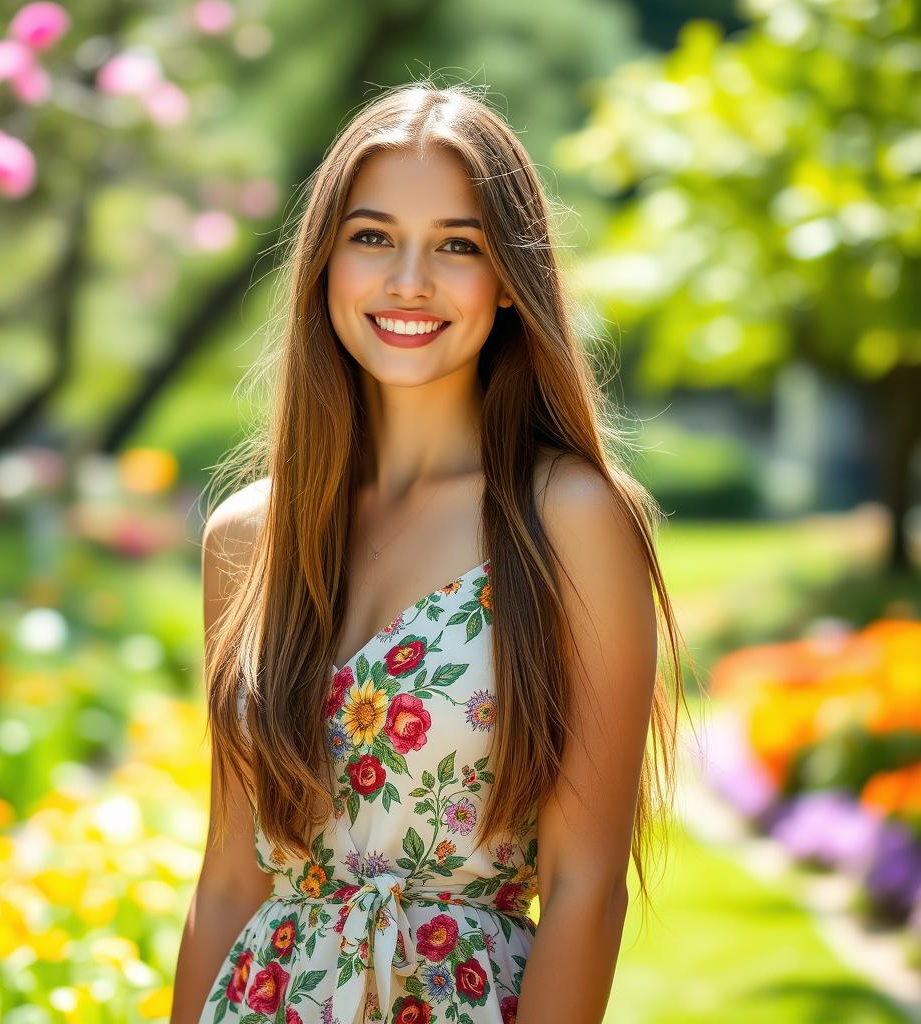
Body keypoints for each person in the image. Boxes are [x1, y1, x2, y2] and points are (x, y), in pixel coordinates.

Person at [171, 80, 691, 1024]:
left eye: (459, 245)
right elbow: (228, 881)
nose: (409, 280)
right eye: (373, 237)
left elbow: (585, 888)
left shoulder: (568, 518)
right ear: (324, 263)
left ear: (508, 283)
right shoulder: (248, 536)